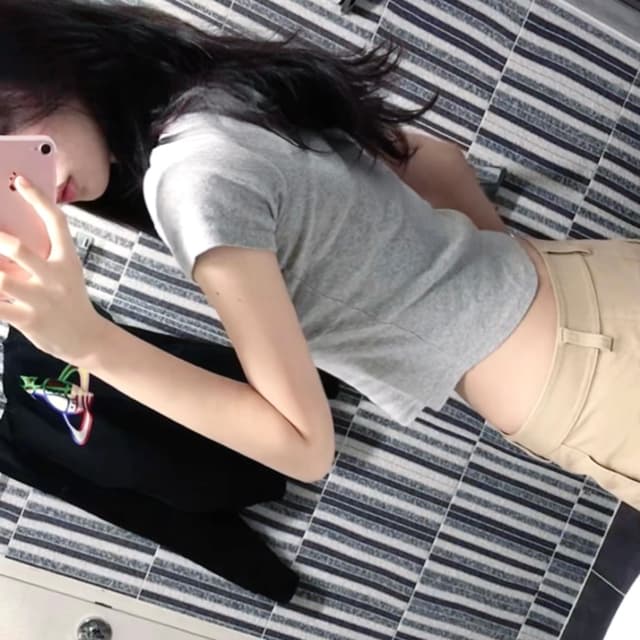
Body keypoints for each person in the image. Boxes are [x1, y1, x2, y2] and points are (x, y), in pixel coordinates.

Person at [1, 0, 639, 508]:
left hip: (584, 378)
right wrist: (493, 285)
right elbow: (431, 157)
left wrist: (88, 343)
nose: (14, 172)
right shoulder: (206, 93)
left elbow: (305, 447)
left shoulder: (187, 179)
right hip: (590, 287)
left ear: (40, 63)